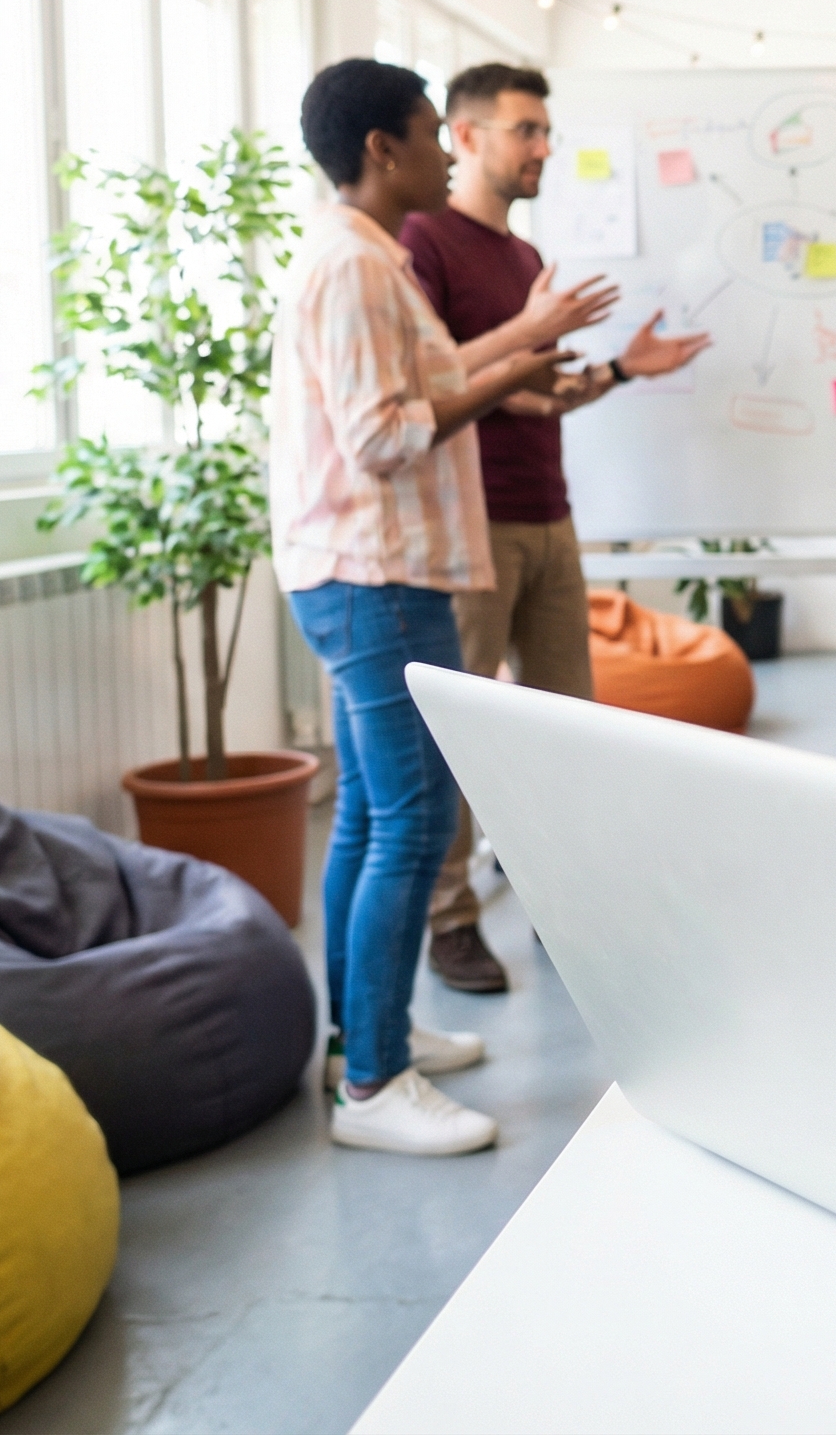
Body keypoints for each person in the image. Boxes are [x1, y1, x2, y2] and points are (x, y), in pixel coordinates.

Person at [275, 59, 574, 1156]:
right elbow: (387, 436)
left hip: (370, 571)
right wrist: (515, 373)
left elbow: (426, 378)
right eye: (429, 133)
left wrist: (517, 351)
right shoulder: (356, 269)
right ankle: (375, 1086)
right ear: (380, 150)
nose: (449, 151)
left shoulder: (363, 258)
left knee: (367, 811)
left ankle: (365, 1036)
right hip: (377, 576)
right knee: (410, 822)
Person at [403, 63, 710, 993]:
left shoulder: (524, 259)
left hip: (550, 517)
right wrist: (528, 331)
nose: (542, 148)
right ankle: (452, 920)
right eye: (524, 130)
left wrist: (621, 370)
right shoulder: (424, 241)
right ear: (465, 136)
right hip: (472, 525)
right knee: (463, 735)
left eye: (545, 132)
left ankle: (558, 904)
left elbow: (535, 401)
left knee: (566, 729)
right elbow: (430, 381)